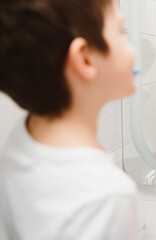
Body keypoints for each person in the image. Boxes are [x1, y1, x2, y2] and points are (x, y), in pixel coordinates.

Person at [0, 0, 138, 239]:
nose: (134, 49)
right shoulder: (107, 196)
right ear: (84, 58)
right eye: (121, 31)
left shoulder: (22, 139)